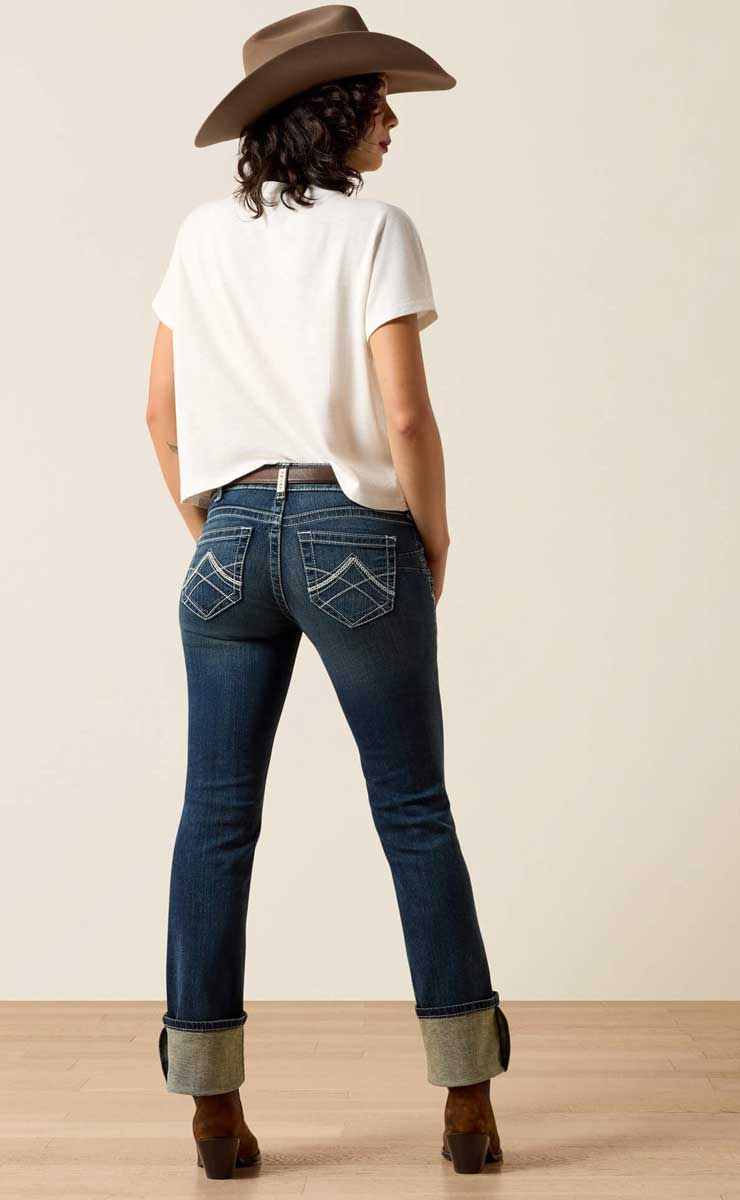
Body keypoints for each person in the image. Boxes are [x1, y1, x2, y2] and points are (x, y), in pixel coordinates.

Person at [146, 4, 511, 1179]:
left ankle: (213, 1111)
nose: (394, 122)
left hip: (230, 535)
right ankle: (466, 1108)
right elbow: (404, 412)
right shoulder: (379, 230)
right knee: (413, 812)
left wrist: (225, 530)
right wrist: (434, 535)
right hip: (360, 535)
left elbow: (156, 416)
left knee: (215, 820)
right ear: (337, 115)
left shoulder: (202, 235)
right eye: (378, 102)